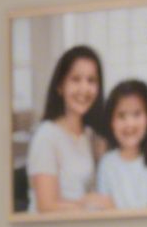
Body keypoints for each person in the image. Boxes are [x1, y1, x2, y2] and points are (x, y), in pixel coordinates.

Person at [26, 44, 114, 214]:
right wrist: (90, 205)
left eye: (91, 80)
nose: (84, 88)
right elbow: (46, 206)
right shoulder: (46, 136)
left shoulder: (90, 135)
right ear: (60, 86)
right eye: (76, 79)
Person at [96, 79, 147, 209]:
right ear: (111, 123)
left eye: (137, 114)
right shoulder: (106, 164)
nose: (129, 124)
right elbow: (104, 212)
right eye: (121, 116)